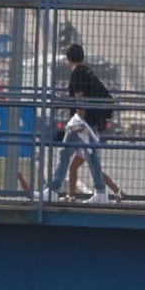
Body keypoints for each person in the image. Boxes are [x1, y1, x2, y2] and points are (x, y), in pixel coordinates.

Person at [51, 34, 120, 200]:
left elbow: (80, 96)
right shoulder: (88, 71)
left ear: (68, 59)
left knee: (67, 155)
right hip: (89, 122)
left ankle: (53, 191)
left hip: (81, 122)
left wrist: (79, 117)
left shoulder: (77, 73)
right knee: (90, 158)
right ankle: (101, 192)